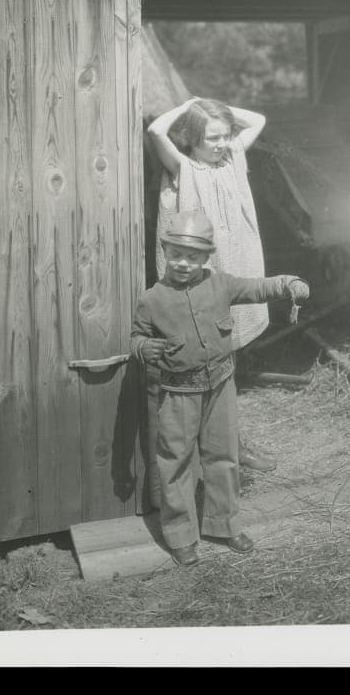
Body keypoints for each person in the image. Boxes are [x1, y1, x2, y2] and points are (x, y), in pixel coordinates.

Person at [131, 210, 311, 566]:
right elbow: (137, 337)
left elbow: (257, 287)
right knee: (176, 462)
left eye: (193, 256)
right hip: (178, 393)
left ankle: (224, 524)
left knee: (223, 455)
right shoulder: (152, 300)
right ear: (165, 251)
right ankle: (181, 535)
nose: (184, 263)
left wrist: (288, 283)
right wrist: (143, 348)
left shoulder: (221, 285)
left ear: (206, 258)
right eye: (176, 254)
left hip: (220, 387)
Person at [148, 96, 276, 473]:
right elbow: (156, 130)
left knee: (226, 360)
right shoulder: (182, 167)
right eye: (212, 138)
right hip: (200, 280)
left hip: (233, 275)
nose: (221, 144)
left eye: (224, 136)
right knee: (203, 365)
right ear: (192, 138)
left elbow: (258, 119)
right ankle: (211, 450)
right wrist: (190, 105)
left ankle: (229, 444)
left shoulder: (232, 158)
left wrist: (214, 109)